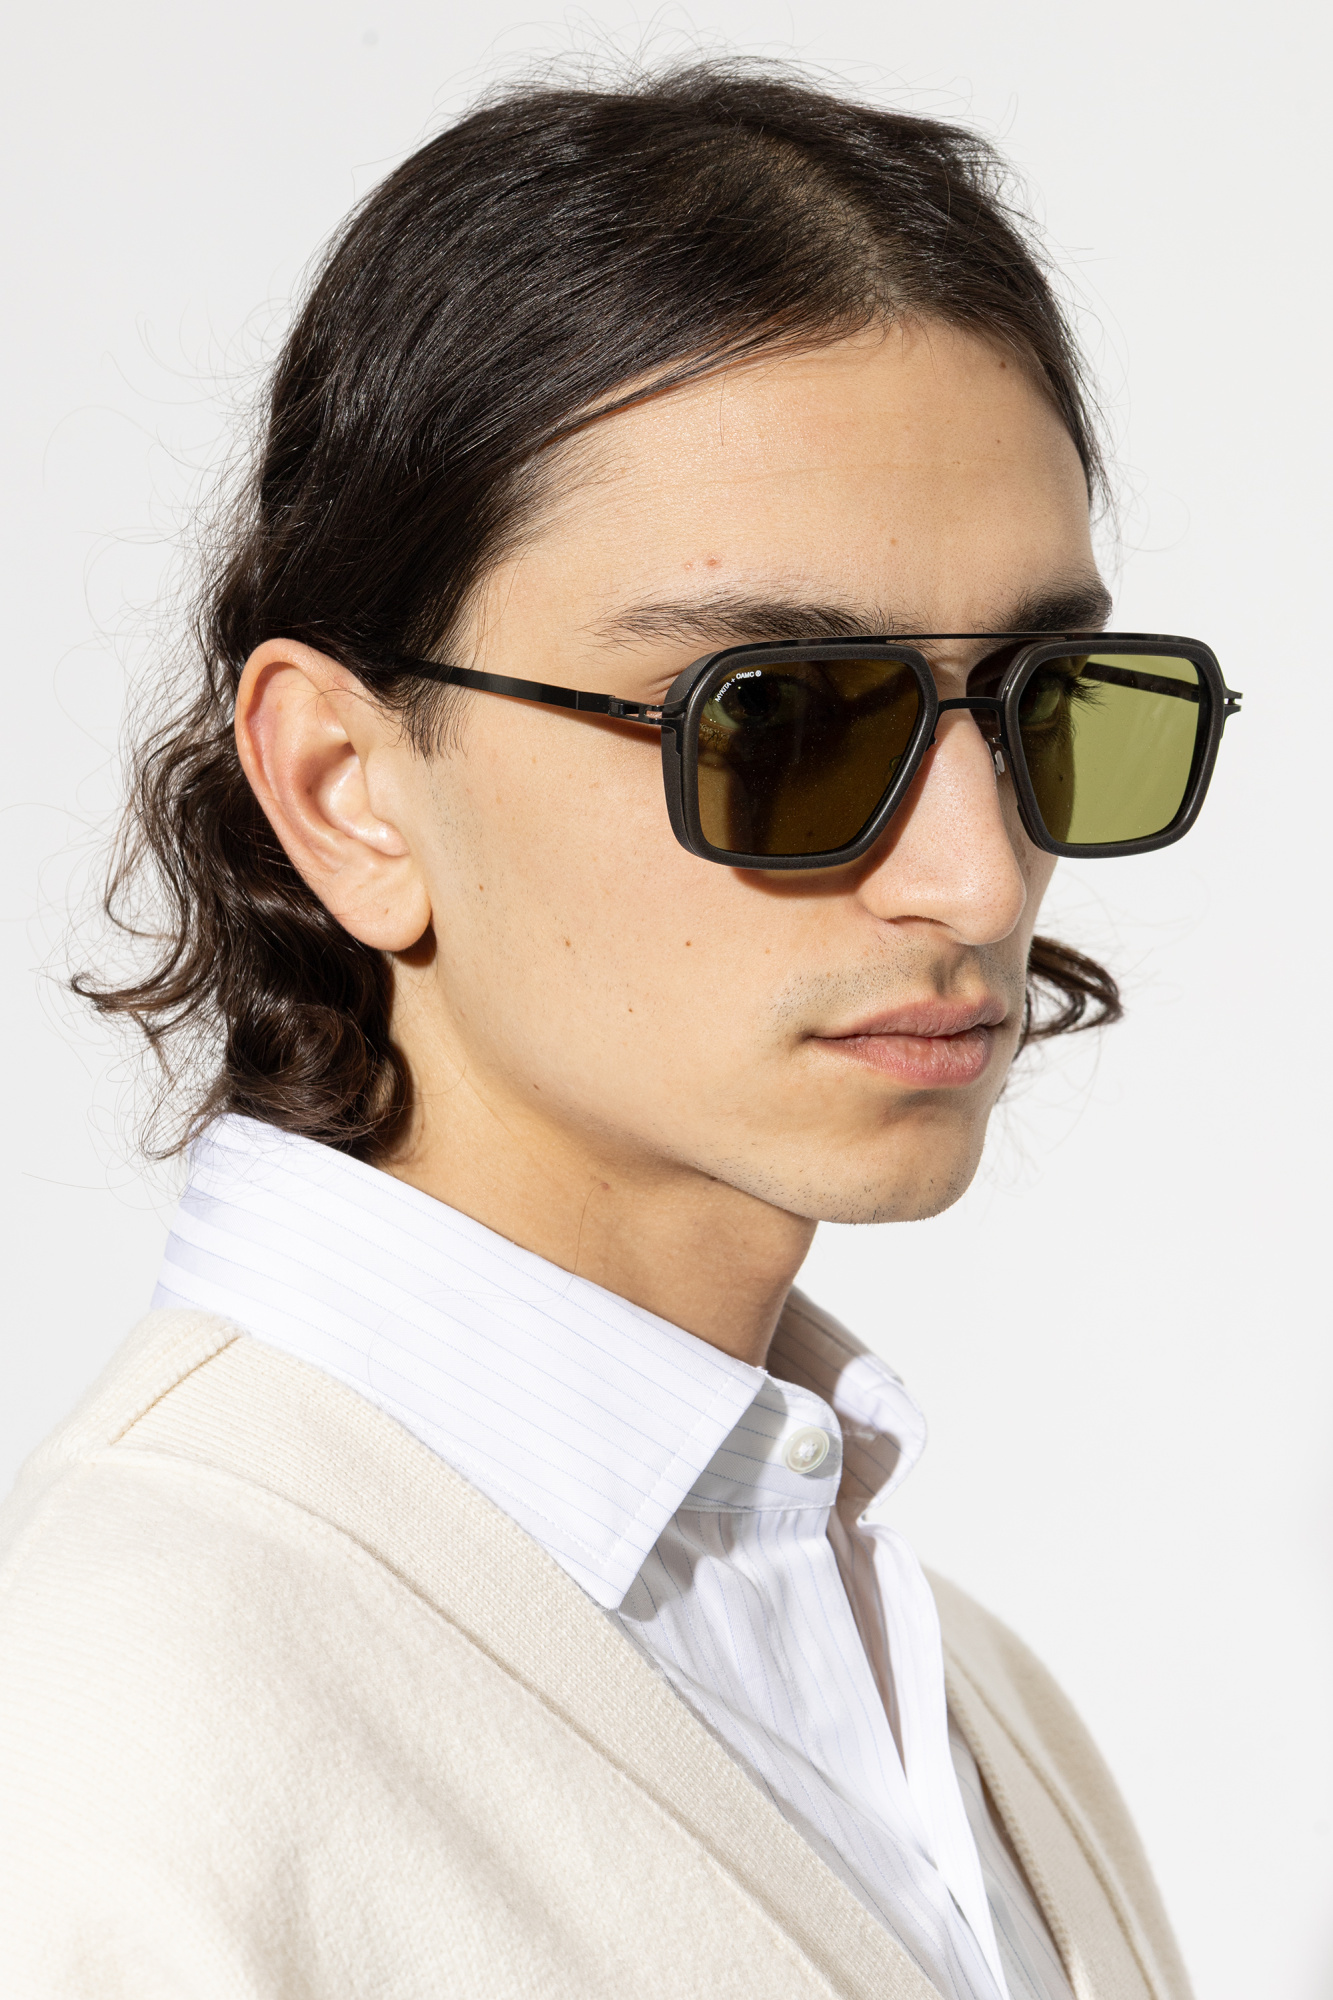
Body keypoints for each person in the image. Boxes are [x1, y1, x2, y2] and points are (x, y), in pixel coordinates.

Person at [0, 62, 1240, 2000]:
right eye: (777, 717)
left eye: (1041, 696)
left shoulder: (969, 1714)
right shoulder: (113, 1745)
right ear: (344, 785)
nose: (979, 871)